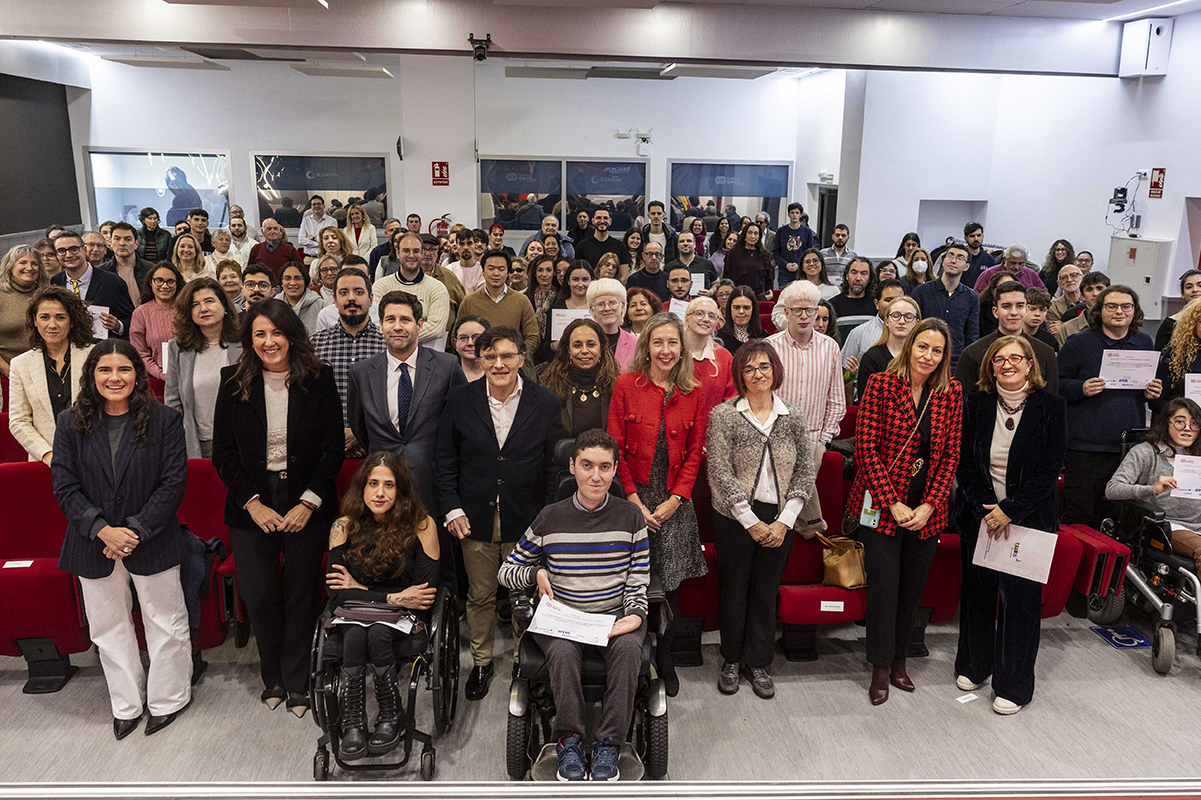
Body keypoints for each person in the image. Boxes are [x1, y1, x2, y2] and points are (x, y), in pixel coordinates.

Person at [51, 338, 192, 738]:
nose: (115, 378)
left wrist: (136, 530)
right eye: (105, 370)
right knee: (108, 627)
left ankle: (168, 699)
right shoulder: (69, 422)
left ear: (138, 374)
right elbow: (64, 485)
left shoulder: (164, 420)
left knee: (164, 622)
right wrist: (102, 529)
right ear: (91, 375)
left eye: (124, 369)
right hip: (92, 541)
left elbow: (172, 483)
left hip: (153, 536)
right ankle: (127, 704)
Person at [212, 299, 344, 716]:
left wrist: (309, 502)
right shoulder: (232, 381)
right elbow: (223, 454)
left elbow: (333, 449)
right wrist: (252, 504)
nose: (269, 342)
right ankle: (272, 675)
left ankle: (297, 679)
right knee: (260, 596)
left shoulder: (319, 378)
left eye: (277, 332)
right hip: (251, 501)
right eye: (260, 334)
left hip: (306, 499)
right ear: (249, 340)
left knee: (301, 594)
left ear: (291, 335)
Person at [498, 429, 649, 782]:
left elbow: (638, 578)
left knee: (629, 650)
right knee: (564, 653)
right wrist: (535, 573)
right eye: (586, 465)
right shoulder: (549, 517)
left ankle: (609, 743)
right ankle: (569, 740)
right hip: (563, 617)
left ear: (615, 470)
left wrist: (634, 614)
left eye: (605, 467)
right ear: (572, 466)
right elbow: (506, 572)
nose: (596, 476)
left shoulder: (631, 517)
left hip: (613, 614)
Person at [435, 326, 566, 701]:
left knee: (523, 595)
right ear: (480, 359)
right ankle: (482, 661)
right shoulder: (460, 399)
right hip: (473, 515)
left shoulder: (545, 402)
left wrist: (546, 519)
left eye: (507, 355)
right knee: (480, 595)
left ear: (522, 359)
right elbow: (444, 460)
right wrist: (452, 509)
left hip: (527, 518)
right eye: (490, 356)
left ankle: (524, 661)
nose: (498, 363)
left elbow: (553, 467)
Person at [847, 318, 962, 705]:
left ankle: (900, 660)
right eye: (922, 347)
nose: (928, 356)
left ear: (944, 356)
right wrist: (892, 502)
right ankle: (880, 666)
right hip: (883, 504)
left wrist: (930, 505)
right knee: (884, 588)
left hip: (927, 508)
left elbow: (950, 455)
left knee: (912, 588)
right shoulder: (881, 384)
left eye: (937, 350)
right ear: (910, 346)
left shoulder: (951, 392)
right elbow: (866, 449)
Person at [955, 334, 1066, 715]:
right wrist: (987, 508)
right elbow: (964, 463)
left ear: (1030, 365)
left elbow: (1050, 468)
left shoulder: (1052, 407)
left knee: (1020, 603)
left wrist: (1011, 510)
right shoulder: (975, 404)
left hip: (1029, 520)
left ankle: (1014, 686)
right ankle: (974, 665)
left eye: (1016, 358)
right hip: (981, 516)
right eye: (999, 359)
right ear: (990, 366)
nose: (1008, 365)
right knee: (978, 593)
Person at [607, 312, 707, 696]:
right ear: (646, 347)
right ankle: (632, 654)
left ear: (682, 349)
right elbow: (615, 447)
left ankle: (665, 658)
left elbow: (695, 452)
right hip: (633, 498)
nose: (665, 350)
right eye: (658, 342)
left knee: (671, 582)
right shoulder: (625, 385)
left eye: (672, 343)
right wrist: (633, 499)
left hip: (673, 502)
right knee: (630, 579)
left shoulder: (693, 391)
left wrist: (676, 499)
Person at [707, 340, 815, 699]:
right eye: (749, 368)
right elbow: (719, 470)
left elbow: (805, 470)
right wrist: (749, 520)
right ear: (739, 375)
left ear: (775, 370)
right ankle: (731, 660)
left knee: (765, 592)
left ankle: (759, 663)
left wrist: (785, 520)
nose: (757, 374)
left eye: (764, 366)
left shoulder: (792, 416)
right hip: (735, 517)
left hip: (780, 517)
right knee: (734, 590)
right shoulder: (724, 415)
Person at [324, 453, 441, 761]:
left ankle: (390, 714)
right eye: (373, 483)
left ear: (401, 490)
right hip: (356, 615)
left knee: (376, 633)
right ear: (361, 487)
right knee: (355, 634)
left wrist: (359, 590)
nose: (379, 493)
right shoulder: (342, 526)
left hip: (403, 619)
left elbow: (424, 595)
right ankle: (354, 719)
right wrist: (391, 597)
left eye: (389, 485)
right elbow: (336, 596)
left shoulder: (422, 525)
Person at [348, 291, 466, 528]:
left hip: (433, 488)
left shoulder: (447, 366)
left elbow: (461, 426)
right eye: (390, 320)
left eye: (405, 320)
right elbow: (360, 427)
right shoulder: (361, 373)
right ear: (380, 325)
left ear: (419, 325)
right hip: (381, 493)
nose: (397, 327)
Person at [1058, 285, 1161, 527]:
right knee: (1081, 515)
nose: (1119, 311)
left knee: (1120, 518)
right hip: (1085, 446)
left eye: (1126, 306)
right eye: (1111, 306)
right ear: (1100, 310)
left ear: (1135, 311)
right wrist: (1081, 388)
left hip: (1128, 447)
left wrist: (1152, 393)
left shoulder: (1144, 341)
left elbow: (1149, 394)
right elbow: (1055, 385)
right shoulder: (1079, 342)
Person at [767, 280, 846, 535]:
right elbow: (760, 397)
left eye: (809, 310)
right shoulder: (769, 347)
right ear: (786, 312)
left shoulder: (830, 347)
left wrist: (823, 440)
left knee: (801, 467)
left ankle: (791, 525)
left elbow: (837, 400)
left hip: (813, 437)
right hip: (775, 435)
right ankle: (811, 524)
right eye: (797, 310)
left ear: (816, 311)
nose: (804, 316)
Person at [1107, 397, 1201, 573]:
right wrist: (1152, 489)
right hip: (1168, 526)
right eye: (1180, 422)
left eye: (1194, 423)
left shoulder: (1198, 454)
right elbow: (1112, 489)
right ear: (1166, 423)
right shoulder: (1144, 452)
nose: (1188, 428)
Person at [8, 287, 94, 463]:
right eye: (44, 317)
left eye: (60, 317)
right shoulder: (20, 364)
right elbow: (18, 421)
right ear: (35, 320)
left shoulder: (94, 357)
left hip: (92, 456)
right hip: (45, 460)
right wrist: (48, 454)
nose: (52, 325)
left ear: (72, 321)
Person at [163, 278, 241, 459]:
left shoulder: (245, 344)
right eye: (195, 305)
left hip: (239, 442)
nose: (203, 309)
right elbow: (173, 400)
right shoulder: (177, 348)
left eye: (209, 301)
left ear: (224, 305)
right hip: (196, 442)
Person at [311, 268, 385, 457]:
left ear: (370, 298)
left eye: (359, 292)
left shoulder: (387, 344)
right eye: (344, 293)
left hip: (377, 450)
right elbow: (309, 401)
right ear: (334, 300)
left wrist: (360, 433)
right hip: (324, 450)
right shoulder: (314, 345)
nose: (351, 298)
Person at [956, 281, 1059, 395]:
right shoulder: (972, 353)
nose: (1014, 312)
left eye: (1019, 306)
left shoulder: (1046, 353)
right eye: (1006, 306)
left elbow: (1052, 398)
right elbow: (962, 400)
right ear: (995, 312)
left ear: (1026, 309)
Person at [538, 317, 619, 438]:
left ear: (601, 348)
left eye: (591, 344)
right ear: (568, 350)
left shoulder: (617, 385)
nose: (584, 350)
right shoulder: (549, 385)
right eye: (577, 345)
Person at [371, 232, 452, 349]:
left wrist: (396, 335)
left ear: (422, 253)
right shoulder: (380, 287)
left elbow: (436, 328)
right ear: (398, 253)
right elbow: (376, 325)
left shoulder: (437, 288)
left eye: (416, 251)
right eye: (406, 251)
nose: (411, 255)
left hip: (427, 355)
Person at [50, 231, 134, 340]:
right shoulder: (55, 282)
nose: (68, 255)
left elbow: (132, 320)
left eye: (74, 249)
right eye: (61, 251)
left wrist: (118, 326)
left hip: (102, 347)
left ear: (84, 250)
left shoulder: (112, 282)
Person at [455, 249, 542, 355]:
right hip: (477, 360)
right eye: (491, 268)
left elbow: (533, 337)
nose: (496, 273)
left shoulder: (522, 300)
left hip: (512, 360)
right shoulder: (469, 301)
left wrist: (516, 355)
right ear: (483, 271)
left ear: (508, 273)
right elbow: (456, 335)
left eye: (501, 269)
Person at [911, 242, 979, 371]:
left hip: (955, 363)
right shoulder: (921, 292)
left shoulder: (971, 297)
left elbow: (972, 336)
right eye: (950, 256)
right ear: (943, 261)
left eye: (959, 258)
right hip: (924, 359)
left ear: (966, 266)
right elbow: (913, 329)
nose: (953, 260)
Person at [857, 296, 920, 402]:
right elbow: (866, 403)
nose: (902, 321)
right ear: (886, 321)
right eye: (896, 316)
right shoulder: (871, 358)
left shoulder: (922, 357)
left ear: (917, 323)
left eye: (908, 317)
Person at [0, 245, 50, 375]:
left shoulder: (47, 295)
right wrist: (9, 371)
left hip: (45, 370)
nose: (29, 268)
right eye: (22, 262)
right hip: (7, 373)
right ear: (10, 266)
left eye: (34, 263)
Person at [130, 263, 183, 382]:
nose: (165, 286)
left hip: (188, 376)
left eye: (170, 281)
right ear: (151, 282)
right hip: (155, 379)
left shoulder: (187, 309)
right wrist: (161, 374)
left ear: (177, 283)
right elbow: (140, 353)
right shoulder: (141, 313)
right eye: (159, 280)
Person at [685, 296, 736, 418]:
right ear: (687, 319)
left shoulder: (724, 357)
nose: (706, 319)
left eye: (712, 316)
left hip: (712, 427)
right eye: (699, 313)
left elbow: (731, 401)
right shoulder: (671, 352)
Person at [841, 279, 905, 374]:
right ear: (876, 304)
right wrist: (852, 376)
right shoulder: (859, 333)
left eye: (899, 300)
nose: (894, 305)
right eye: (888, 300)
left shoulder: (914, 333)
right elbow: (844, 372)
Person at [1151, 298, 1201, 414]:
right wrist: (1176, 414)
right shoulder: (1176, 353)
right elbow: (1158, 398)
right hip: (1180, 419)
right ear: (1193, 324)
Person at [539, 261, 594, 362]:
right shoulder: (556, 308)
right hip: (562, 363)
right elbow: (545, 346)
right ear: (568, 281)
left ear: (591, 281)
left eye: (585, 279)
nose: (580, 284)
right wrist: (553, 346)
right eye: (575, 279)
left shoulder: (597, 308)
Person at [587, 278, 637, 372]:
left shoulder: (635, 343)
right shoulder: (584, 341)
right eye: (601, 304)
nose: (607, 308)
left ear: (622, 306)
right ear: (592, 309)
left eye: (612, 303)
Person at [103, 222, 156, 305]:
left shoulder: (152, 270)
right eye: (117, 239)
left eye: (128, 239)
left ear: (136, 244)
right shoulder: (101, 272)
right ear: (110, 243)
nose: (122, 243)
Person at [1055, 272, 1110, 347]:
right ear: (1082, 296)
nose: (1095, 293)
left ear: (1109, 293)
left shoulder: (1120, 324)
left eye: (1099, 289)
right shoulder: (1067, 329)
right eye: (1089, 290)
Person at [773, 202, 819, 288]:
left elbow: (809, 253)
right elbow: (775, 253)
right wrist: (786, 264)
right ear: (788, 214)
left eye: (797, 213)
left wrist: (798, 264)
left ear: (800, 215)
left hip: (802, 271)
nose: (794, 215)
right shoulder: (781, 231)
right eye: (792, 213)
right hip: (784, 272)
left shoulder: (807, 232)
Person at [275, 262, 327, 336]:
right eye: (287, 278)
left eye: (298, 278)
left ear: (305, 281)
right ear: (281, 282)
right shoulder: (273, 306)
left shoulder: (322, 306)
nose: (292, 283)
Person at [725, 223, 774, 300]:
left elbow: (769, 278)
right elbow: (727, 275)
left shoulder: (764, 254)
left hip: (759, 295)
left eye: (756, 233)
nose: (752, 236)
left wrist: (769, 292)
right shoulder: (733, 253)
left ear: (759, 237)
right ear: (745, 235)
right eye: (750, 233)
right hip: (739, 294)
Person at [1155, 270, 1201, 351]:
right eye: (1189, 287)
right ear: (1182, 294)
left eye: (1200, 285)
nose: (1195, 290)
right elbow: (1160, 354)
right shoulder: (1170, 323)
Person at [973, 244, 1043, 294]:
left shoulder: (1031, 274)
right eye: (1013, 263)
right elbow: (977, 296)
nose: (1017, 267)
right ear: (1005, 259)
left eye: (1021, 264)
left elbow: (1043, 294)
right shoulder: (989, 274)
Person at [718, 286, 766, 358]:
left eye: (746, 308)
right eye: (736, 307)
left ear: (753, 310)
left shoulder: (764, 337)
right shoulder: (718, 339)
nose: (741, 311)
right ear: (730, 309)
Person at [828, 256, 877, 326]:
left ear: (869, 278)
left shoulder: (877, 305)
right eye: (854, 273)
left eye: (863, 273)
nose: (858, 278)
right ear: (847, 276)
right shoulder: (832, 305)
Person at [1047, 264, 1084, 337]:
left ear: (1082, 278)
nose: (1069, 280)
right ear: (1059, 284)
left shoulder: (1092, 302)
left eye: (1073, 275)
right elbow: (1056, 334)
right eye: (1064, 278)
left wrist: (1064, 326)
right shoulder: (1053, 307)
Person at [451, 314, 488, 383]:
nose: (470, 343)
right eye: (463, 338)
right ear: (455, 343)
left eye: (477, 337)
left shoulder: (498, 374)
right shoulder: (445, 376)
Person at [1023, 288, 1059, 352]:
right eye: (1032, 309)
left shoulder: (1050, 340)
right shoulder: (1010, 337)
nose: (1037, 314)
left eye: (1042, 310)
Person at [961, 221, 996, 288]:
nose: (976, 238)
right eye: (972, 236)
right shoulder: (959, 257)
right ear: (965, 238)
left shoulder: (989, 259)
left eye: (978, 235)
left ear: (982, 236)